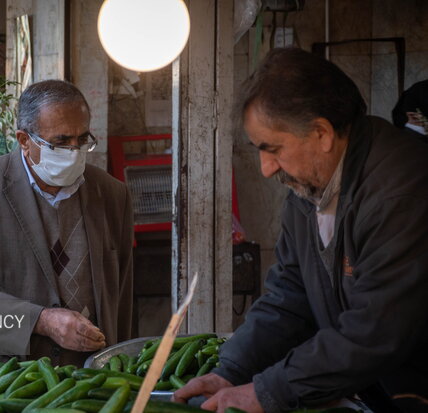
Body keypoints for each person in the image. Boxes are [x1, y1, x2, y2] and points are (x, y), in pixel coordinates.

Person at [174, 48, 428, 413]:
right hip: (373, 392)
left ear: (321, 133)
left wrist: (266, 391)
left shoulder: (399, 193)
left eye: (272, 148)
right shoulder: (309, 188)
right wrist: (232, 370)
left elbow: (374, 331)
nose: (265, 168)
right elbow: (289, 295)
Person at [0, 79, 134, 367]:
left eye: (82, 140)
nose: (74, 151)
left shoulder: (113, 194)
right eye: (61, 142)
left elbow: (123, 292)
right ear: (24, 141)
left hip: (89, 376)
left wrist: (120, 364)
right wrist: (41, 321)